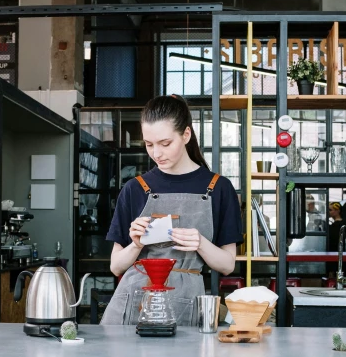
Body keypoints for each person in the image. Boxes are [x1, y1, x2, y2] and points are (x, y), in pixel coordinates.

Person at [101, 95, 243, 325]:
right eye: (149, 144)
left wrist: (200, 243)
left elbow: (227, 265)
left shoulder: (219, 188)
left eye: (165, 144)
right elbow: (115, 266)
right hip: (132, 302)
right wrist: (136, 244)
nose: (156, 153)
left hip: (187, 300)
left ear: (186, 135)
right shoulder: (134, 188)